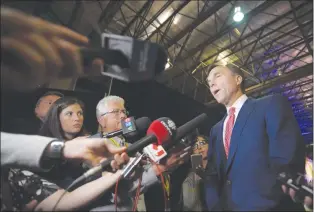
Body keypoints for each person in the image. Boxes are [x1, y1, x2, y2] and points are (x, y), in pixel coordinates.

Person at [205, 64, 305, 211]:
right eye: (208, 82)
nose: (211, 83)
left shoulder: (270, 104)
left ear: (238, 79)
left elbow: (287, 158)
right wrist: (215, 206)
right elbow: (212, 174)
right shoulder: (215, 130)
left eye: (217, 76)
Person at [181, 135, 209, 211]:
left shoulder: (220, 168)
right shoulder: (190, 180)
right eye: (195, 146)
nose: (199, 148)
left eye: (202, 143)